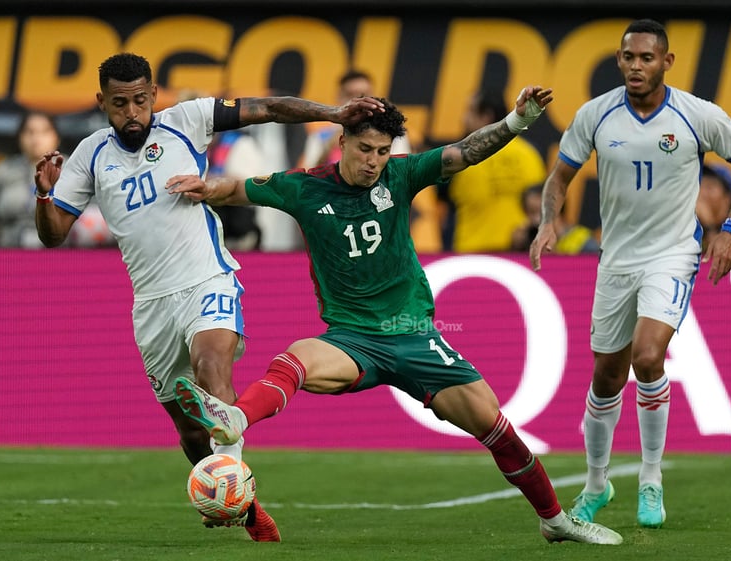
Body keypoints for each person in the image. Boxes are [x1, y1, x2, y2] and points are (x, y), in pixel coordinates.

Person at [165, 87, 624, 545]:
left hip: (413, 336)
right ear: (341, 142)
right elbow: (239, 189)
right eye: (365, 149)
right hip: (350, 339)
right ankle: (236, 419)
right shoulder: (303, 187)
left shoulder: (401, 176)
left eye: (383, 152)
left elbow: (465, 152)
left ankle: (554, 519)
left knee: (496, 428)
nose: (374, 161)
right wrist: (207, 188)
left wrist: (517, 122)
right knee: (296, 358)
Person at [33, 52, 385, 542]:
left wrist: (331, 112)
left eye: (139, 100)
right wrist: (45, 196)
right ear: (102, 103)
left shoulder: (187, 120)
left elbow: (267, 108)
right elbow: (53, 235)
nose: (131, 112)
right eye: (119, 104)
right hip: (151, 304)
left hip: (207, 279)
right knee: (191, 431)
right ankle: (243, 505)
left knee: (211, 367)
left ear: (154, 95)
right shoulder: (91, 155)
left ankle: (234, 487)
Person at [529, 19, 731, 529]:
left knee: (649, 355)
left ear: (666, 62)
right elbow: (560, 176)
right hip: (616, 260)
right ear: (619, 60)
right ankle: (596, 483)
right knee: (606, 376)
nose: (637, 66)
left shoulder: (697, 114)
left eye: (647, 58)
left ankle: (651, 479)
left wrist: (730, 228)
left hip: (673, 254)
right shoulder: (596, 114)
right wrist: (549, 221)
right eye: (628, 58)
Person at [437, 90, 547, 252]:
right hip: (518, 256)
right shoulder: (531, 154)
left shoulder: (461, 157)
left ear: (486, 116)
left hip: (470, 255)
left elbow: (441, 203)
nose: (464, 119)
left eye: (470, 111)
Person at [0, 111, 64, 247]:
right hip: (11, 255)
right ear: (20, 137)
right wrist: (2, 237)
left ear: (57, 138)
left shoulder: (72, 169)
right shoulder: (4, 170)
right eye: (29, 132)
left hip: (62, 256)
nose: (36, 138)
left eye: (44, 131)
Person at [297, 69, 411, 169]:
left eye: (364, 94)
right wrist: (328, 149)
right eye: (350, 95)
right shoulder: (320, 137)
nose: (358, 101)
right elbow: (310, 176)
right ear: (339, 97)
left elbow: (401, 171)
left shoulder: (393, 134)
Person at [511, 184, 599, 253]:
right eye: (532, 212)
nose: (537, 219)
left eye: (542, 212)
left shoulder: (584, 242)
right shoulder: (526, 240)